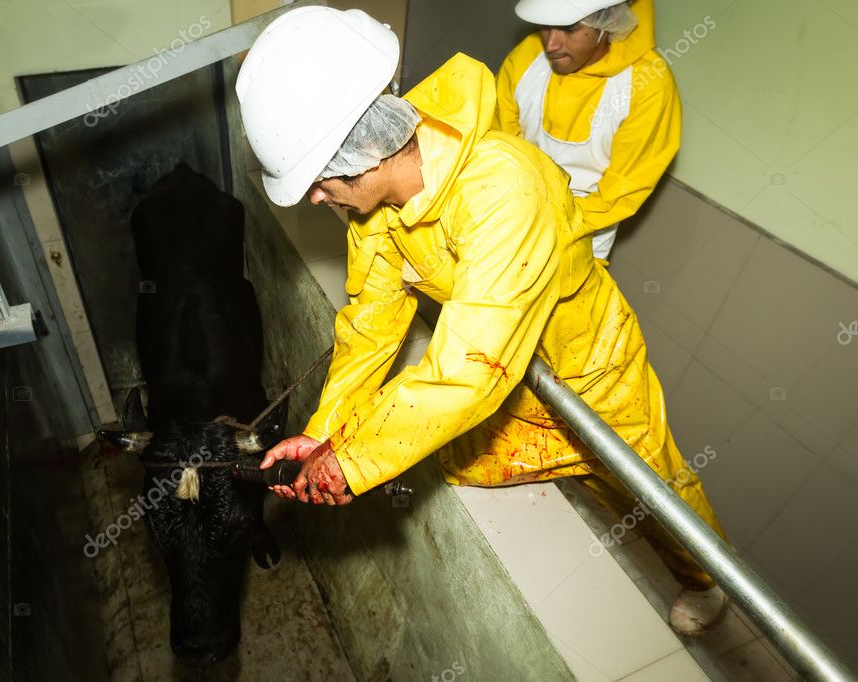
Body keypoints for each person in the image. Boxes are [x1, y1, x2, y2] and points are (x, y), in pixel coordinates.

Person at [237, 6, 725, 636]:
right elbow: (371, 326)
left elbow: (467, 370)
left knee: (649, 487)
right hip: (513, 373)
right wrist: (329, 431)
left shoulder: (505, 191)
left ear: (362, 154)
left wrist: (354, 464)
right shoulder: (377, 212)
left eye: (319, 180)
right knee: (461, 459)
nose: (314, 198)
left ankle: (705, 578)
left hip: (586, 368)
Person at [495, 0, 680, 260]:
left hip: (581, 239)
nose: (551, 44)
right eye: (545, 26)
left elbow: (624, 187)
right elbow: (500, 142)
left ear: (606, 21)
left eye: (569, 29)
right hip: (511, 211)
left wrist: (552, 227)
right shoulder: (527, 57)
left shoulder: (647, 85)